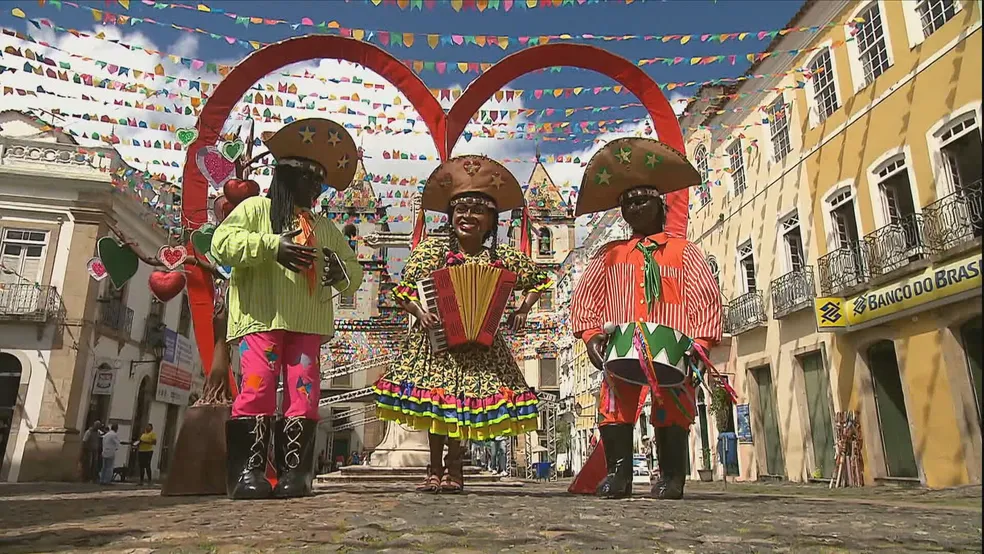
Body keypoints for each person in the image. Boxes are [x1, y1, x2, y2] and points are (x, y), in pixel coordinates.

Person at [373, 155, 552, 494]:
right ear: (451, 216)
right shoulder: (431, 251)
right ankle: (434, 466)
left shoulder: (503, 258)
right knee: (438, 407)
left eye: (477, 211)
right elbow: (404, 290)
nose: (467, 217)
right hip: (437, 344)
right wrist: (420, 313)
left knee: (460, 410)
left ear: (490, 222)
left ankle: (455, 468)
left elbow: (540, 281)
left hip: (479, 347)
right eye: (460, 210)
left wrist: (523, 309)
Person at [212, 118, 363, 500]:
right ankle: (249, 472)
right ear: (283, 177)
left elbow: (355, 271)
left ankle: (296, 473)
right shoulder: (255, 209)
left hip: (308, 323)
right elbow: (222, 244)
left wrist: (339, 271)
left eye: (318, 182)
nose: (313, 188)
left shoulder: (325, 226)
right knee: (257, 388)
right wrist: (271, 246)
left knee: (304, 394)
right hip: (261, 317)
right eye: (305, 178)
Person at [569, 137, 722, 500]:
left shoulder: (685, 252)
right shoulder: (610, 254)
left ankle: (672, 477)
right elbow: (586, 296)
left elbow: (706, 297)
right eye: (628, 202)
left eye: (643, 199)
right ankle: (619, 475)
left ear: (660, 202)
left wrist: (700, 344)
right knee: (614, 406)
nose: (636, 206)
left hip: (675, 348)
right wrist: (591, 334)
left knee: (674, 408)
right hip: (621, 346)